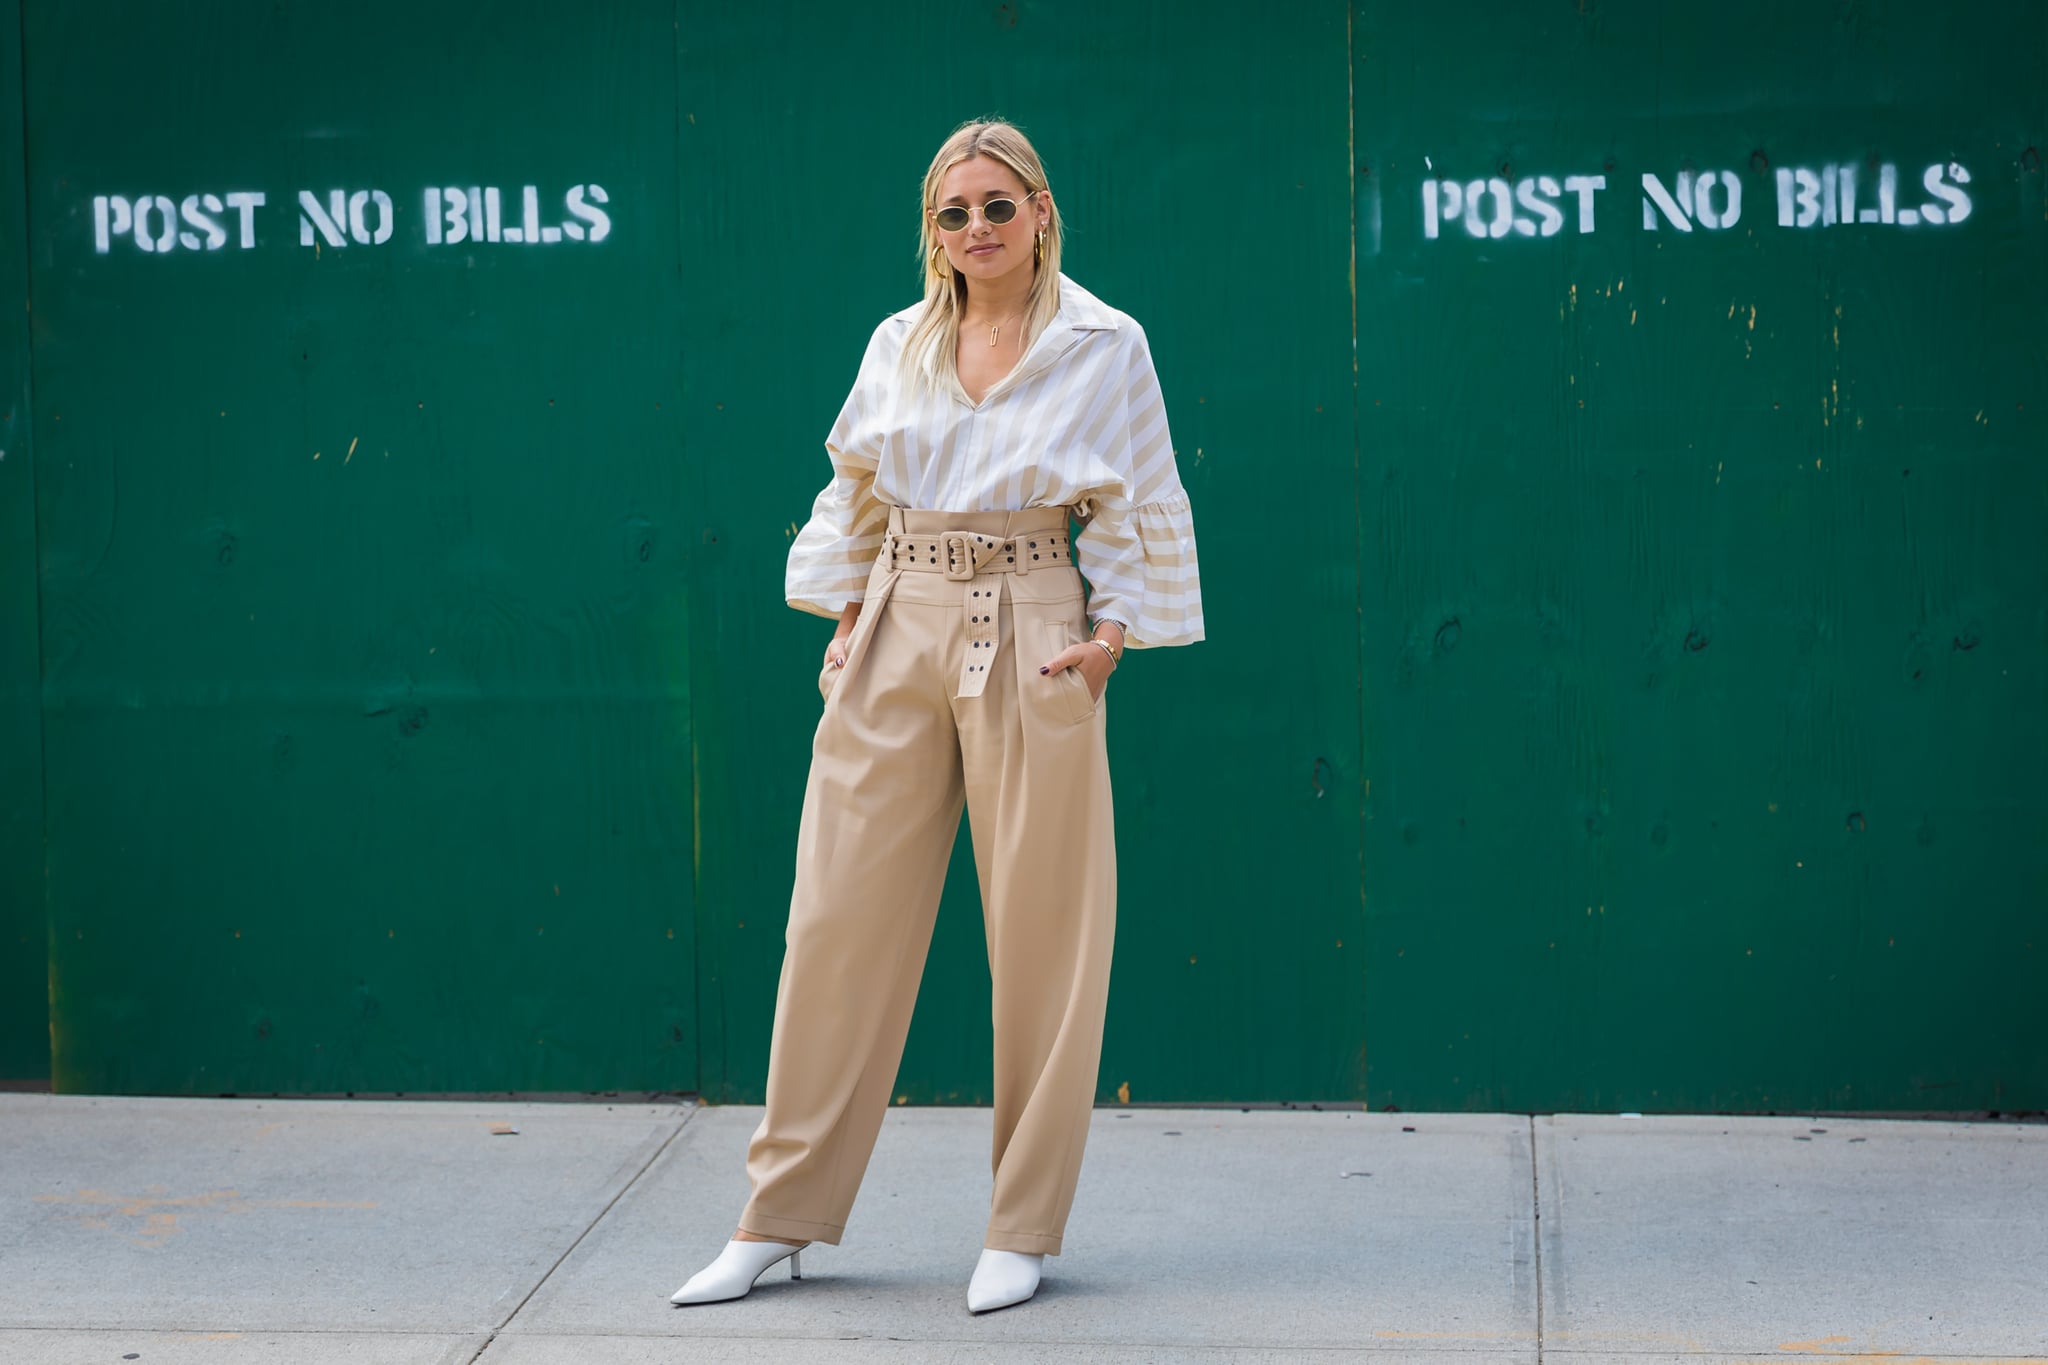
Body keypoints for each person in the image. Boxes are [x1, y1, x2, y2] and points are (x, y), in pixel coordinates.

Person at [670, 117, 1203, 1315]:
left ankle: (1021, 1226)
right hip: (898, 614)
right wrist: (846, 620)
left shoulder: (1104, 343)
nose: (976, 227)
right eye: (953, 211)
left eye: (997, 206)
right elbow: (855, 488)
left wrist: (1109, 640)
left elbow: (1138, 496)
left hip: (1035, 614)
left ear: (1040, 211)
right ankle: (777, 1216)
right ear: (934, 228)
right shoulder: (899, 341)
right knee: (833, 924)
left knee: (1045, 937)